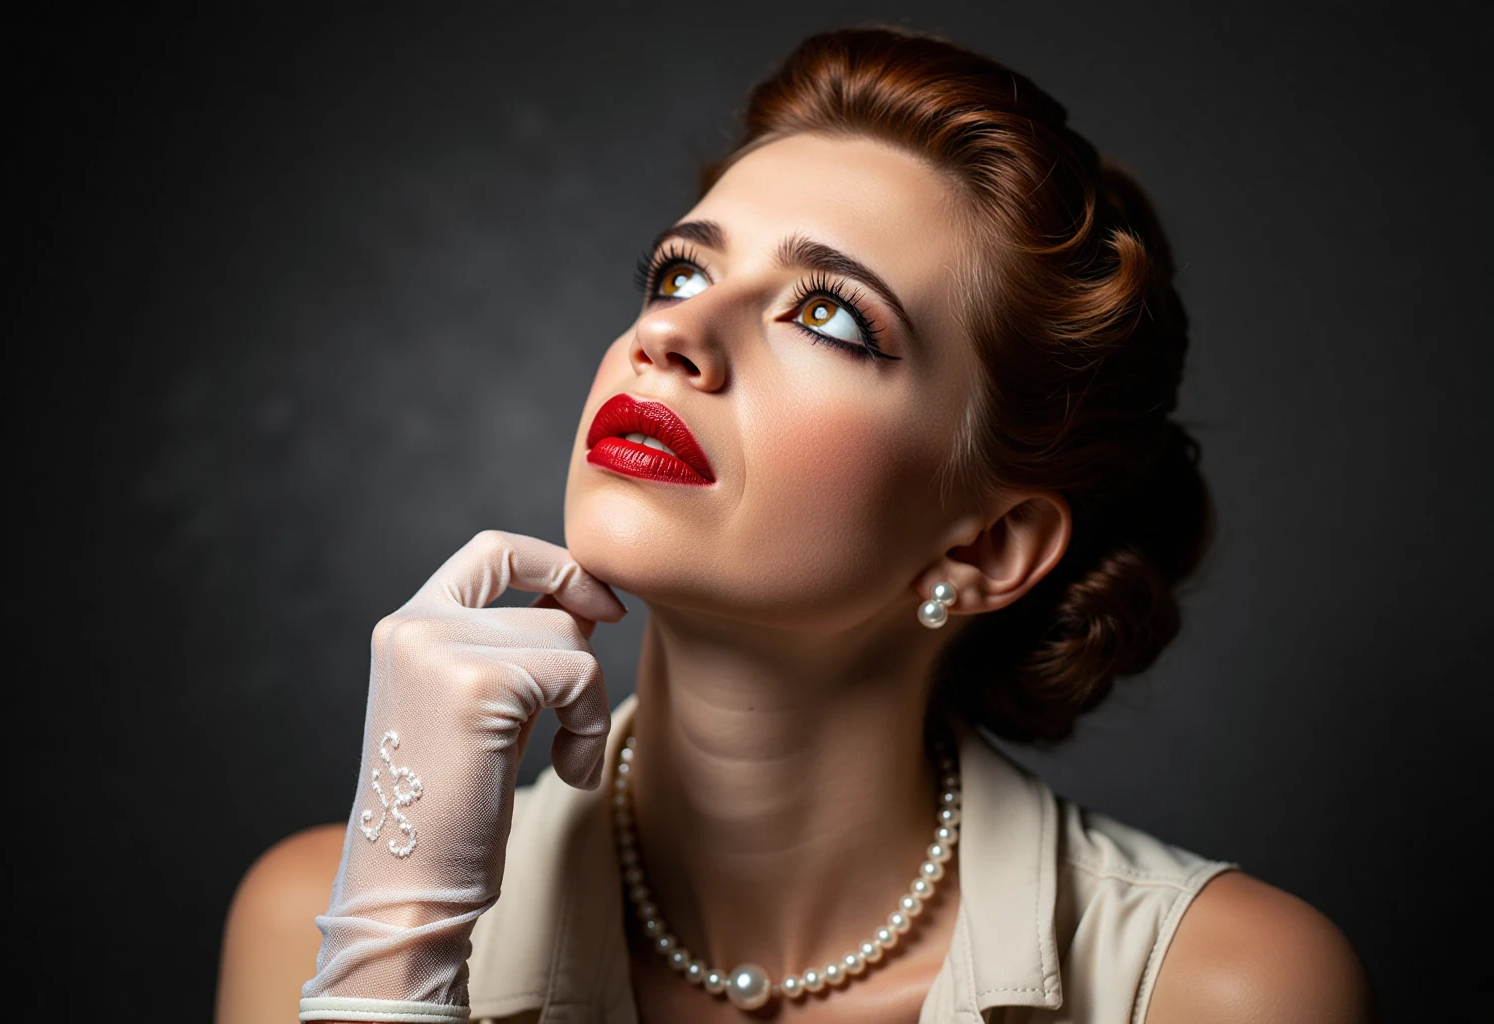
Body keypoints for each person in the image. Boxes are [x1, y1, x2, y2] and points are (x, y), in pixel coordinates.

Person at [215, 25, 1373, 1024]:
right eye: (677, 273)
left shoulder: (1222, 985)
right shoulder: (327, 920)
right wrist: (401, 943)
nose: (673, 335)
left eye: (827, 313)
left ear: (988, 544)